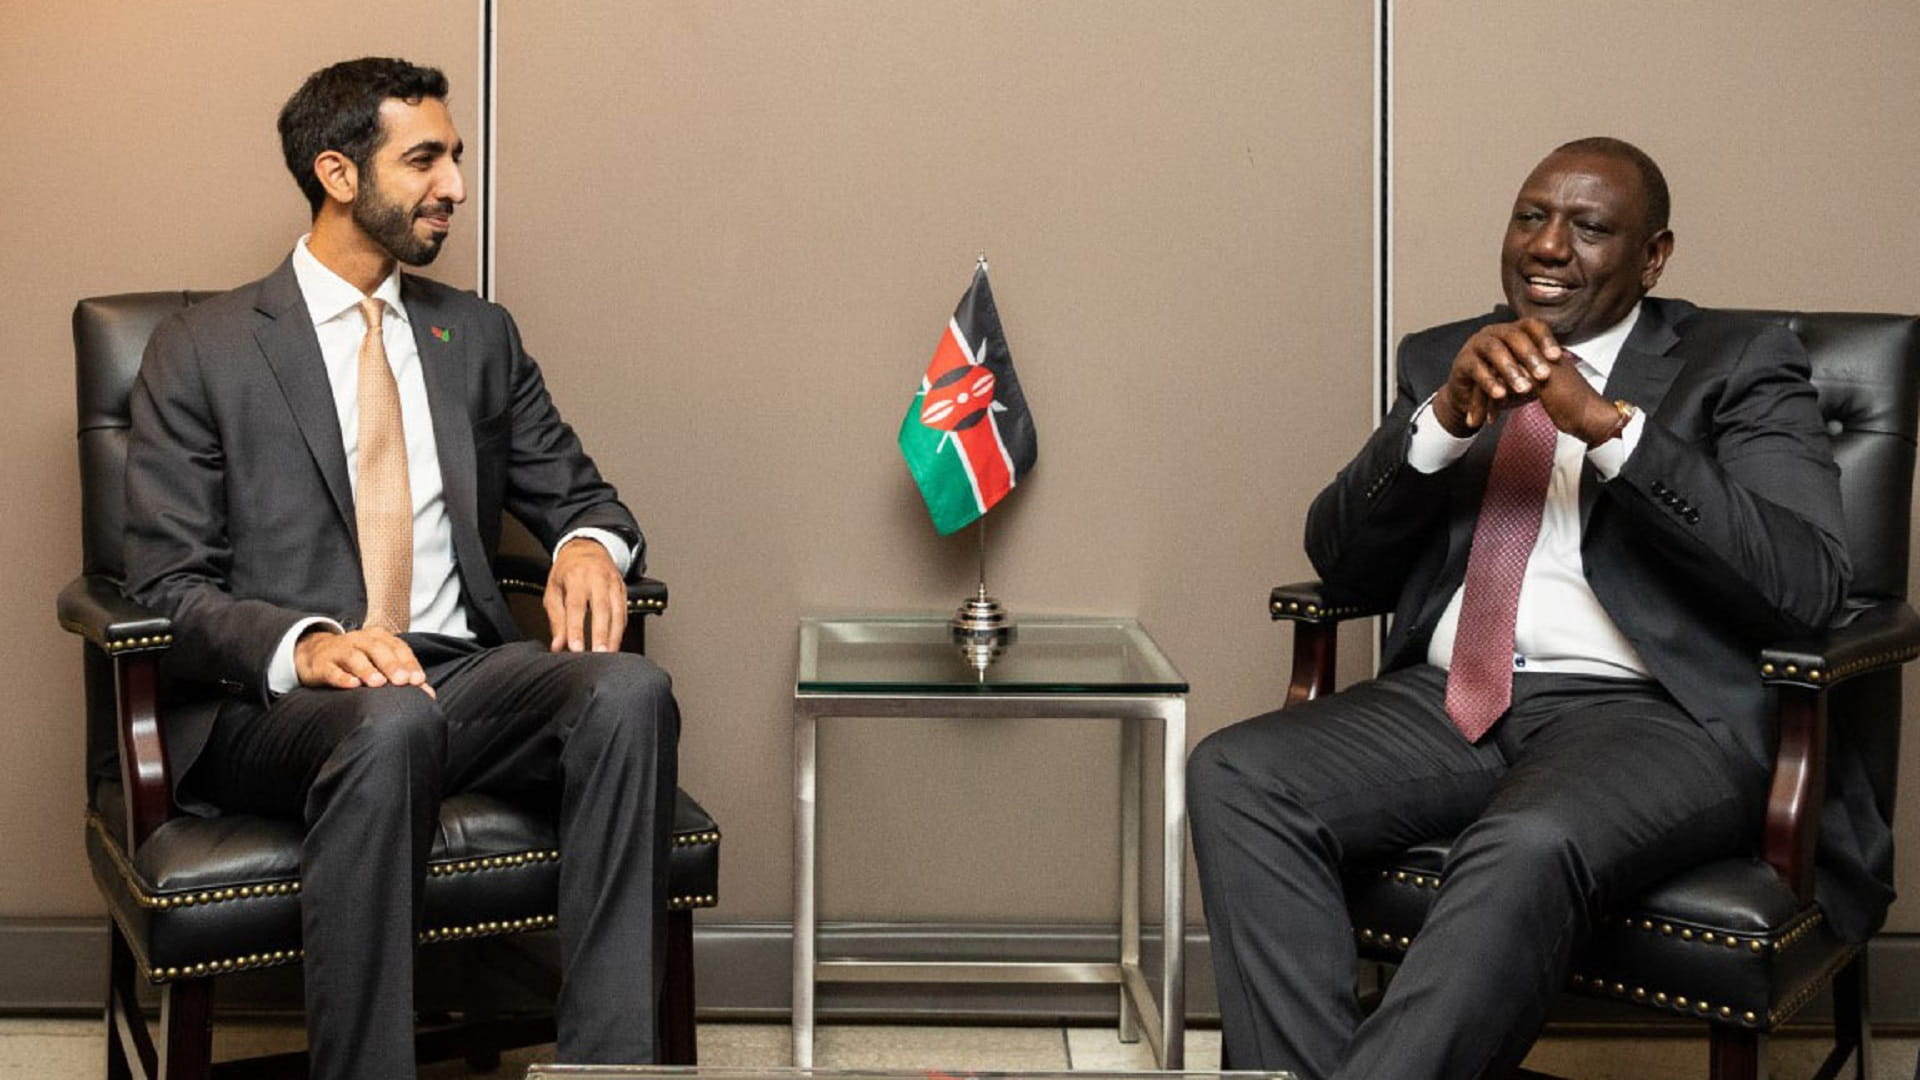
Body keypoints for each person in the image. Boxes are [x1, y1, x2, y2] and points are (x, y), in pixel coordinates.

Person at [1187, 137, 1851, 1080]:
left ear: (1652, 256)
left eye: (1588, 228)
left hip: (1652, 716)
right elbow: (1340, 564)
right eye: (1531, 216)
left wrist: (1609, 431)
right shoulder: (1444, 357)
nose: (1547, 246)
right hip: (1451, 698)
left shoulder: (1737, 360)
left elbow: (1807, 580)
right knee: (1238, 774)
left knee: (1528, 842)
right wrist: (1442, 424)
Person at [123, 57, 677, 1079]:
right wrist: (312, 644)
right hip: (281, 708)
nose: (454, 185)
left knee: (630, 690)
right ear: (338, 174)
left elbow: (584, 495)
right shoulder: (199, 351)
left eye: (455, 158)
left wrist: (591, 546)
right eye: (424, 159)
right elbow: (168, 587)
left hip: (455, 678)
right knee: (390, 717)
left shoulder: (475, 336)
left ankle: (609, 1068)